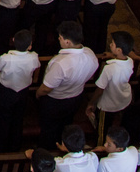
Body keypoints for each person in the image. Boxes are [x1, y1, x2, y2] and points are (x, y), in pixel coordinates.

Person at [35, 20, 97, 150]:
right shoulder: (90, 55)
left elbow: (47, 88)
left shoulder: (60, 63)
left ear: (68, 42)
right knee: (66, 125)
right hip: (76, 97)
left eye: (60, 38)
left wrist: (38, 94)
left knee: (49, 129)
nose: (58, 39)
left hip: (55, 101)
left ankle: (47, 151)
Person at [0, 28, 39, 152]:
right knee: (18, 118)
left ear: (13, 41)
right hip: (23, 91)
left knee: (3, 118)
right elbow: (37, 66)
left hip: (6, 91)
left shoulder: (7, 58)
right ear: (30, 46)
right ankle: (15, 146)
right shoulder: (33, 57)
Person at [85, 31, 135, 142]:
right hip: (123, 99)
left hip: (107, 104)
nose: (110, 44)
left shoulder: (109, 68)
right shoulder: (130, 61)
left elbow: (100, 90)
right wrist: (113, 55)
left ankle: (100, 144)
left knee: (102, 127)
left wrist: (91, 103)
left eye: (112, 43)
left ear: (119, 50)